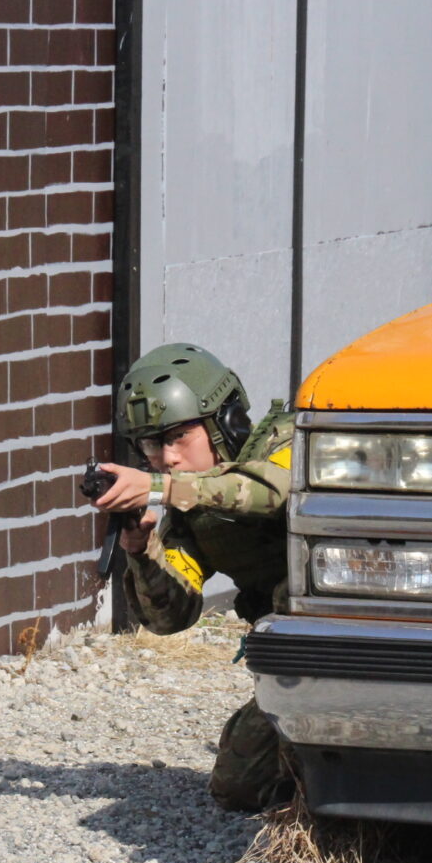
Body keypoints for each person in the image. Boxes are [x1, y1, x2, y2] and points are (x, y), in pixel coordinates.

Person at [89, 343, 294, 810]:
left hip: (370, 631)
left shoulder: (285, 444)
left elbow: (274, 491)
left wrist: (161, 487)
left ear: (226, 422)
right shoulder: (191, 511)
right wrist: (141, 550)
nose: (167, 458)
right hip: (296, 666)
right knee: (239, 786)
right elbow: (170, 618)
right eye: (150, 444)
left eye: (178, 437)